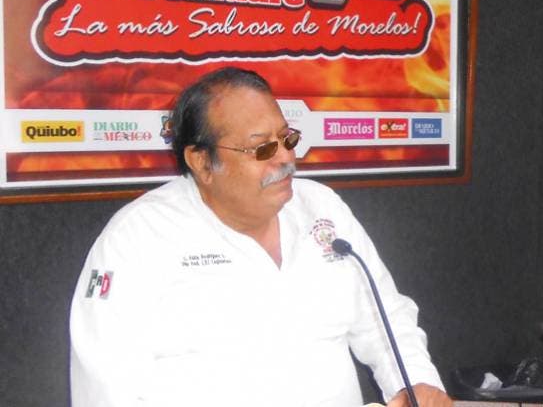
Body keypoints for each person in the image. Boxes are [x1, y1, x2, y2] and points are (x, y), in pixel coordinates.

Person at [70, 67, 451, 407]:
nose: (285, 158)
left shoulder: (322, 209)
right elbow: (105, 386)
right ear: (202, 162)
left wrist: (416, 383)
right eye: (262, 148)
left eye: (287, 140)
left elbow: (385, 317)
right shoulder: (138, 237)